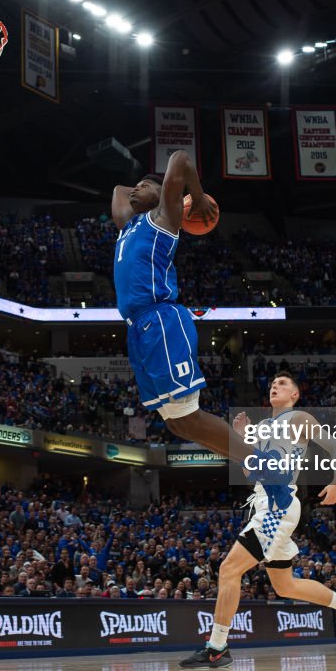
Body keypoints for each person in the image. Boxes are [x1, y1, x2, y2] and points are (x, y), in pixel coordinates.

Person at [179, 372, 336, 669]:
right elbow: (251, 471)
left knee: (229, 569)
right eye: (272, 383)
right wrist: (244, 438)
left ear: (295, 395)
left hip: (278, 506)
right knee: (285, 587)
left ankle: (217, 647)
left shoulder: (298, 418)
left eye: (283, 384)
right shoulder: (263, 428)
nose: (275, 386)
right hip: (263, 502)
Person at [108, 152, 252, 461]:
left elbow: (181, 159)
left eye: (145, 185)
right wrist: (139, 182)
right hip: (139, 328)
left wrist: (194, 198)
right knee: (177, 425)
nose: (135, 189)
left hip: (161, 321)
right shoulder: (128, 224)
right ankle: (252, 464)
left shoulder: (164, 218)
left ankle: (265, 464)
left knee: (188, 417)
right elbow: (119, 190)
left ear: (165, 196)